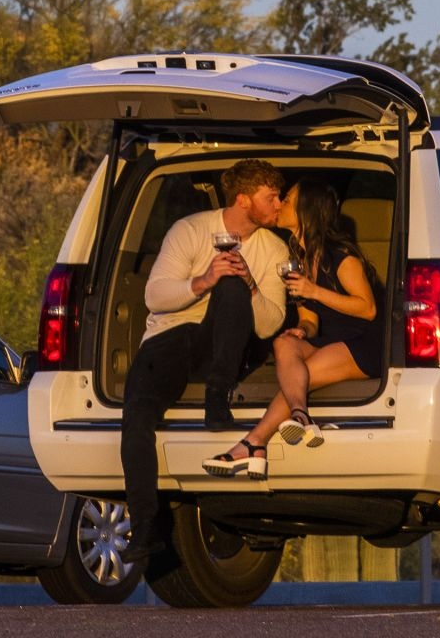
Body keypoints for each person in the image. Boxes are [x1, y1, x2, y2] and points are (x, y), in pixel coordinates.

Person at [118, 158, 289, 561]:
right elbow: (154, 297)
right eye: (271, 197)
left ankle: (217, 395)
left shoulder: (273, 248)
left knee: (233, 287)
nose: (279, 204)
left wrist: (247, 283)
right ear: (243, 200)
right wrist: (204, 280)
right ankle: (144, 527)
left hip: (228, 349)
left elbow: (269, 325)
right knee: (136, 415)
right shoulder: (190, 230)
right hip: (172, 338)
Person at [202, 179, 382, 479]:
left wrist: (314, 290)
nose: (280, 204)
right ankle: (299, 416)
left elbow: (368, 308)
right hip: (329, 340)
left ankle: (253, 443)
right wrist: (302, 331)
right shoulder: (298, 259)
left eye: (287, 200)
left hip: (363, 342)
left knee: (300, 375)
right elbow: (309, 319)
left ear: (306, 211)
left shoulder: (342, 256)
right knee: (283, 343)